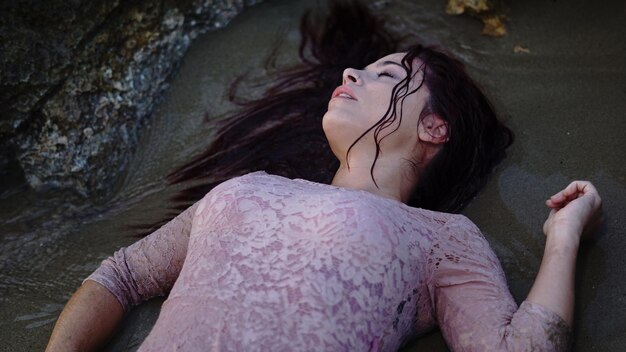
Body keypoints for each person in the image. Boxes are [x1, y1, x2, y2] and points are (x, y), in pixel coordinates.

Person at [45, 1, 603, 351]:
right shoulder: (244, 187)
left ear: (435, 127)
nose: (350, 72)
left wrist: (564, 237)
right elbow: (119, 276)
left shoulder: (442, 237)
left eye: (385, 74)